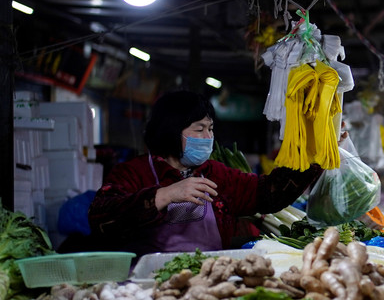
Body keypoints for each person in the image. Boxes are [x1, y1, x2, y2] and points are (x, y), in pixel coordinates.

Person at [89, 90, 323, 254]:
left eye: (210, 129)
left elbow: (268, 194)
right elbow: (100, 218)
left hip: (210, 278)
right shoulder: (133, 173)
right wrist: (165, 195)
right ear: (170, 132)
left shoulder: (216, 174)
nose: (208, 137)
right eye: (199, 129)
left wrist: (315, 151)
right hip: (146, 281)